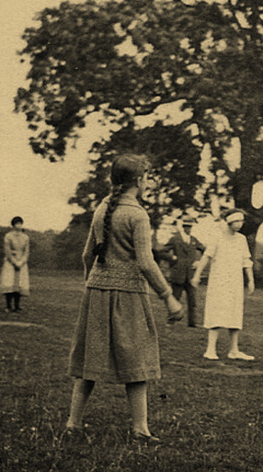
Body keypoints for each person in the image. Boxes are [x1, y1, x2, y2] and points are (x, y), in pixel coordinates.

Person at [66, 154, 184, 442]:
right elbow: (146, 262)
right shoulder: (138, 215)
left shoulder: (102, 209)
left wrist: (91, 284)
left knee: (89, 362)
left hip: (96, 292)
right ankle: (140, 428)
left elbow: (86, 255)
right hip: (129, 294)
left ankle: (73, 422)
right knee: (137, 360)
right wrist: (168, 297)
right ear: (140, 180)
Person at [193, 210, 256, 361]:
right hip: (219, 281)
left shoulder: (241, 239)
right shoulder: (218, 237)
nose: (240, 224)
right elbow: (206, 257)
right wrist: (196, 276)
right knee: (217, 312)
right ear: (229, 222)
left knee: (235, 313)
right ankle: (210, 349)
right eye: (237, 221)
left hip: (235, 282)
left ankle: (234, 350)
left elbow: (246, 261)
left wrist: (251, 280)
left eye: (242, 221)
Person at [159, 214, 206, 328]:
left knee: (192, 300)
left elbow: (206, 252)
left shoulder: (194, 240)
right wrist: (173, 258)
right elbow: (162, 251)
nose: (188, 228)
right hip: (178, 273)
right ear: (183, 226)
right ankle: (171, 321)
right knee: (175, 298)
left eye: (189, 226)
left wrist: (199, 262)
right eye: (186, 226)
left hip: (190, 275)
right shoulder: (175, 239)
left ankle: (192, 323)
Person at [0, 217, 30, 312]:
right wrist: (14, 262)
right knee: (9, 284)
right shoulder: (8, 236)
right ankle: (8, 305)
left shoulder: (25, 237)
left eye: (20, 223)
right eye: (17, 223)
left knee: (19, 284)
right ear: (13, 225)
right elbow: (7, 250)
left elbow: (26, 252)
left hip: (21, 262)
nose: (19, 225)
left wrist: (21, 262)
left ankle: (17, 305)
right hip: (10, 263)